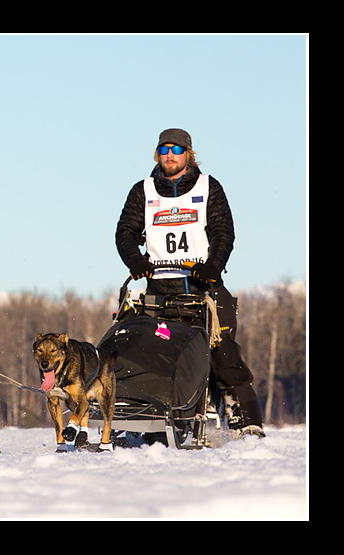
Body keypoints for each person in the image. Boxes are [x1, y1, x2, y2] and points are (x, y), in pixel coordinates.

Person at [115, 128, 265, 439]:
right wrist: (136, 261)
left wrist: (213, 266)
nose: (170, 155)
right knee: (151, 359)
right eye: (164, 149)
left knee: (225, 357)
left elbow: (224, 233)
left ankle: (246, 425)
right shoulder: (143, 191)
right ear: (157, 154)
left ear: (188, 154)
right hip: (159, 292)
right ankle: (149, 428)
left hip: (202, 289)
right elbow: (125, 232)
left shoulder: (208, 186)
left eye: (176, 149)